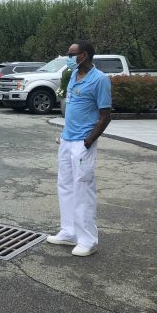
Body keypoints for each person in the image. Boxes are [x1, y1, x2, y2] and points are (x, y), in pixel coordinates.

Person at [47, 41, 111, 257]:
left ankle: (88, 240)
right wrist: (64, 136)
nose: (68, 57)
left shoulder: (100, 80)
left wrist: (88, 142)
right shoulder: (74, 76)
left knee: (83, 189)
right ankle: (69, 232)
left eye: (71, 54)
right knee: (64, 185)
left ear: (83, 55)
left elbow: (105, 116)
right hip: (66, 140)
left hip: (83, 143)